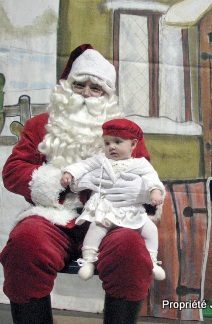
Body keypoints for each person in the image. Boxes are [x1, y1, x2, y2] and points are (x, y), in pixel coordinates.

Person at [1, 44, 156, 324]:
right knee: (25, 243)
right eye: (79, 85)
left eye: (95, 88)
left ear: (107, 95)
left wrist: (138, 194)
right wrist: (56, 183)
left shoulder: (125, 133)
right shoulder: (40, 125)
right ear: (66, 87)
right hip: (52, 218)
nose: (86, 94)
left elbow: (146, 177)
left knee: (132, 250)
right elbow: (13, 171)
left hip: (110, 219)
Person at [60, 118, 166, 281]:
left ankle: (152, 262)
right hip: (106, 209)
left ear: (133, 144)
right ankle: (88, 261)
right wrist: (70, 173)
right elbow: (84, 166)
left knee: (151, 230)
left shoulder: (141, 164)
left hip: (131, 209)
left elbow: (152, 178)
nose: (112, 147)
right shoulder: (101, 161)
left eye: (118, 142)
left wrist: (155, 191)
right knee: (95, 229)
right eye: (108, 143)